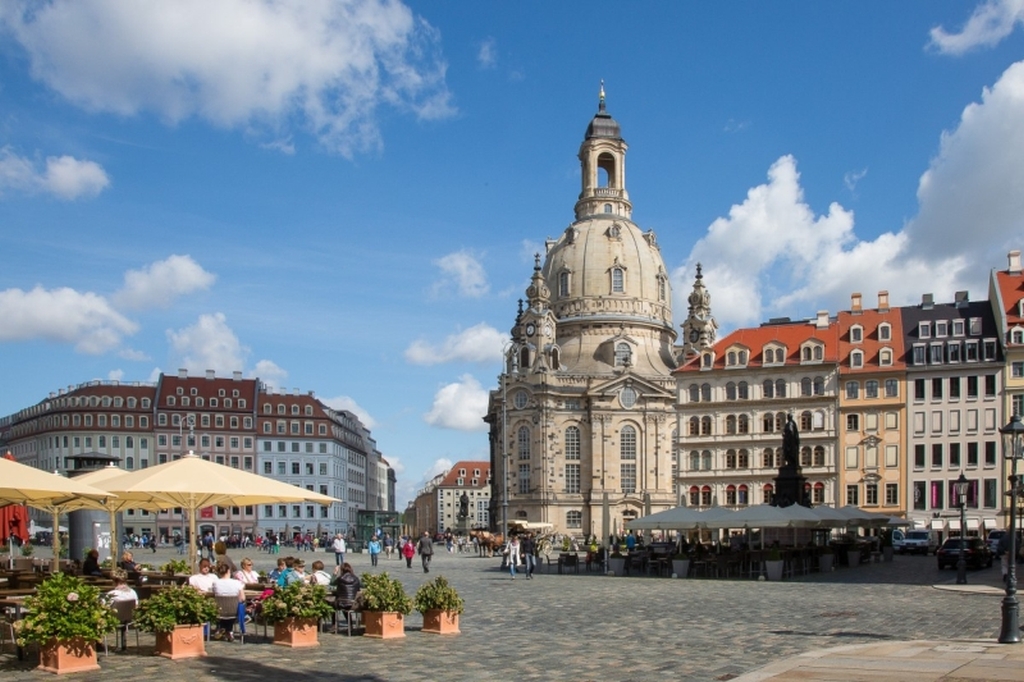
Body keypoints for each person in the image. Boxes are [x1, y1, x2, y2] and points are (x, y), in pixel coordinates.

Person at [211, 563, 244, 641]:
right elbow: (242, 598)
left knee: (223, 611)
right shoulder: (237, 583)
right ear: (229, 571)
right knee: (236, 608)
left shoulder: (215, 583)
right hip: (234, 611)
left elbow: (214, 593)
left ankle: (223, 628)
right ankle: (228, 630)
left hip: (220, 611)